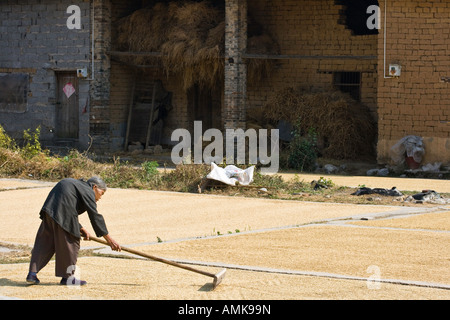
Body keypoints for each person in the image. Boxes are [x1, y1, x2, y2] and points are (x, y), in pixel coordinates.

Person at [26, 176, 121, 286]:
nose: (100, 198)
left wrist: (80, 228)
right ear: (95, 187)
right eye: (102, 193)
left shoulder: (76, 185)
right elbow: (95, 216)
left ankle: (32, 274)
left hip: (49, 211)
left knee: (44, 243)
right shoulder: (88, 191)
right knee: (71, 243)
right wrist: (109, 240)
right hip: (60, 212)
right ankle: (68, 278)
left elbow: (67, 207)